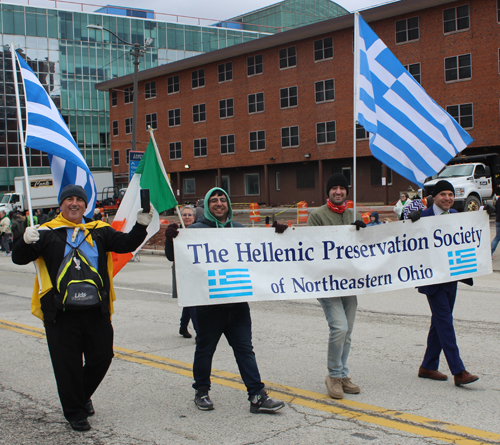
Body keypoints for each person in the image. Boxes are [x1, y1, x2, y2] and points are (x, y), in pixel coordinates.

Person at [12, 184, 153, 432]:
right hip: (60, 314)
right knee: (67, 365)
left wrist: (141, 225)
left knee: (102, 357)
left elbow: (126, 244)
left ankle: (79, 395)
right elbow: (19, 258)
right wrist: (24, 240)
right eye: (69, 200)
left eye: (79, 199)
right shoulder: (45, 232)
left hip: (95, 310)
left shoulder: (98, 231)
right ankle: (76, 412)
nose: (74, 203)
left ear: (86, 205)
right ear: (61, 205)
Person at [165, 187, 285, 414]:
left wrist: (278, 236)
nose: (219, 203)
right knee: (204, 350)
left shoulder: (239, 229)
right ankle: (201, 391)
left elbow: (263, 251)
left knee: (245, 350)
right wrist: (170, 240)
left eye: (223, 200)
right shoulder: (196, 230)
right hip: (208, 306)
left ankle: (257, 396)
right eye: (214, 200)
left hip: (237, 305)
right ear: (208, 206)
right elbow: (174, 257)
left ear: (228, 203)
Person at [411, 180, 479, 387]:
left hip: (452, 277)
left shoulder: (459, 216)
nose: (448, 198)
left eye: (450, 194)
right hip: (432, 279)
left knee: (439, 322)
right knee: (445, 321)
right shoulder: (422, 217)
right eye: (443, 195)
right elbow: (404, 242)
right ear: (434, 197)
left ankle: (428, 366)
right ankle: (458, 371)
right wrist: (408, 221)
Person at [307, 173, 366, 399]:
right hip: (326, 283)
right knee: (339, 327)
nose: (338, 191)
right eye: (334, 188)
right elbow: (307, 245)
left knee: (348, 331)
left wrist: (363, 232)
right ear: (328, 192)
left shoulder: (354, 214)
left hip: (349, 283)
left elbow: (367, 248)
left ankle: (342, 374)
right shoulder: (317, 216)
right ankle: (333, 376)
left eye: (342, 188)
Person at [164, 205, 198, 339]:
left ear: (194, 217)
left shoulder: (199, 231)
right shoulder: (174, 231)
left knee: (191, 300)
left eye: (190, 215)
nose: (187, 217)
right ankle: (199, 333)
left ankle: (183, 326)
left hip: (196, 270)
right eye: (184, 215)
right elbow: (170, 256)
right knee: (191, 300)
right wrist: (169, 239)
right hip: (181, 270)